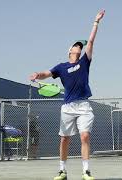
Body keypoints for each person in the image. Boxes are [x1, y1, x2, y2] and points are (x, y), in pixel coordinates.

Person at [29, 10, 105, 180]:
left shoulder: (84, 62)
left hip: (83, 106)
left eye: (80, 46)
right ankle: (62, 170)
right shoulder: (61, 67)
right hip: (68, 108)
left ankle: (86, 171)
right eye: (76, 45)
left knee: (85, 136)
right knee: (65, 139)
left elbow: (91, 41)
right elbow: (46, 73)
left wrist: (96, 22)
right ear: (70, 50)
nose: (79, 46)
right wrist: (36, 75)